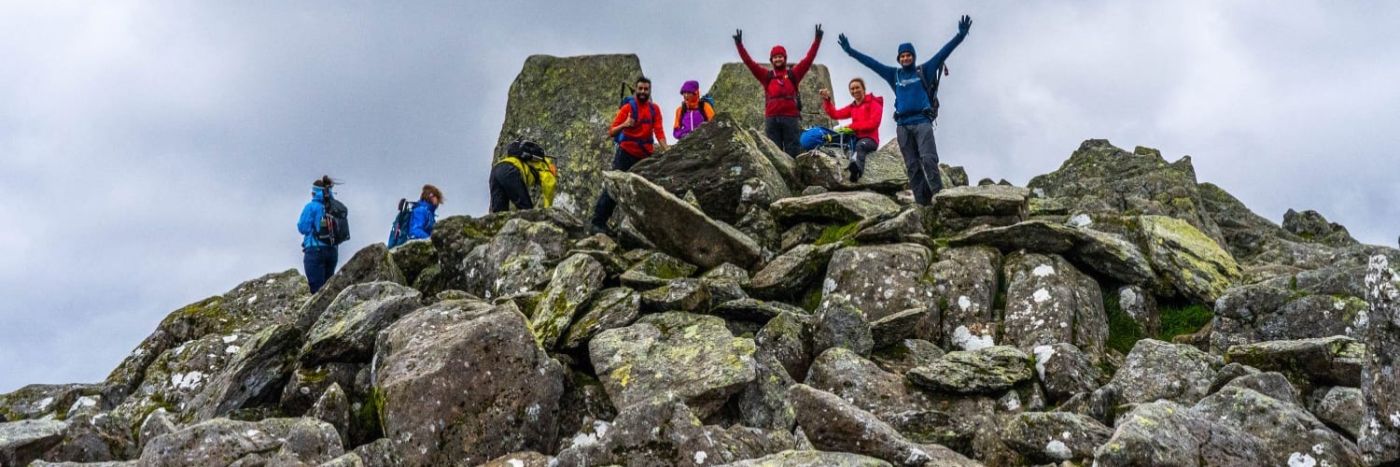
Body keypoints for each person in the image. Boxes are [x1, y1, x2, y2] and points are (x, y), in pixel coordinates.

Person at [838, 15, 971, 205]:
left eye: (908, 55)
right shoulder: (894, 75)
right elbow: (872, 64)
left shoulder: (924, 70)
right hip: (902, 126)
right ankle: (923, 203)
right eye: (902, 56)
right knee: (912, 166)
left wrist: (960, 36)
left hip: (922, 122)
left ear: (913, 57)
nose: (905, 58)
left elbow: (943, 53)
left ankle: (940, 198)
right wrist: (851, 51)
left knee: (928, 159)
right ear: (899, 59)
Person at [590, 76, 667, 233]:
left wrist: (666, 150)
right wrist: (625, 124)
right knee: (614, 187)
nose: (643, 92)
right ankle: (597, 223)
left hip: (645, 156)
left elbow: (659, 131)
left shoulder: (655, 110)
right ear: (636, 90)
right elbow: (612, 131)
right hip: (625, 154)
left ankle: (641, 228)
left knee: (643, 191)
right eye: (640, 89)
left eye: (646, 89)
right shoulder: (628, 108)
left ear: (649, 91)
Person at [733, 25, 823, 156]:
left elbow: (809, 59)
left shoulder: (794, 74)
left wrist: (817, 40)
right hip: (772, 118)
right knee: (774, 152)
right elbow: (749, 63)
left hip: (790, 118)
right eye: (775, 57)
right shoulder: (767, 76)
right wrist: (739, 45)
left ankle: (793, 176)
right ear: (771, 60)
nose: (778, 59)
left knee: (793, 151)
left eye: (780, 56)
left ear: (785, 59)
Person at [820, 77, 884, 182]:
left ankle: (857, 172)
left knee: (860, 146)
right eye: (852, 89)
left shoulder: (874, 103)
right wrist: (827, 100)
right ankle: (849, 169)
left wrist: (852, 126)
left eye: (857, 88)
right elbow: (835, 114)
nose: (855, 91)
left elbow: (874, 123)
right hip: (855, 139)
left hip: (870, 140)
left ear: (863, 89)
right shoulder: (853, 106)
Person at [489, 140, 557, 213]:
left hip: (496, 170)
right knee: (526, 209)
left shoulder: (531, 160)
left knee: (499, 212)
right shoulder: (545, 166)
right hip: (511, 170)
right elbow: (550, 184)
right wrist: (547, 209)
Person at [297, 175, 339, 294]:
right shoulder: (334, 206)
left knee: (316, 291)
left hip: (315, 250)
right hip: (332, 250)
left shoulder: (311, 207)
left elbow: (303, 227)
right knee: (328, 289)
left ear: (314, 193)